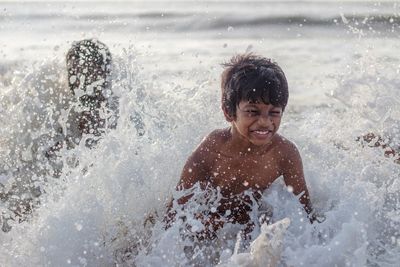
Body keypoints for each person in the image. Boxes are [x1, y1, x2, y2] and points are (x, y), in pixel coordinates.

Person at [165, 53, 318, 241]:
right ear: (228, 112)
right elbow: (175, 210)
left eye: (274, 112)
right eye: (252, 111)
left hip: (250, 225)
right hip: (208, 221)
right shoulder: (212, 149)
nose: (264, 121)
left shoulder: (284, 153)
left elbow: (304, 211)